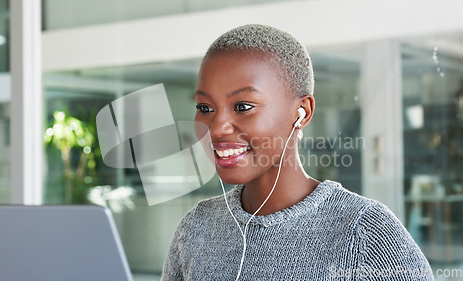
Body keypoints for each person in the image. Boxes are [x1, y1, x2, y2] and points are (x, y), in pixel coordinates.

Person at [162, 24, 433, 280]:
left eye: (243, 106)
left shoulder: (366, 231)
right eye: (205, 108)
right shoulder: (196, 227)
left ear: (302, 112)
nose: (217, 129)